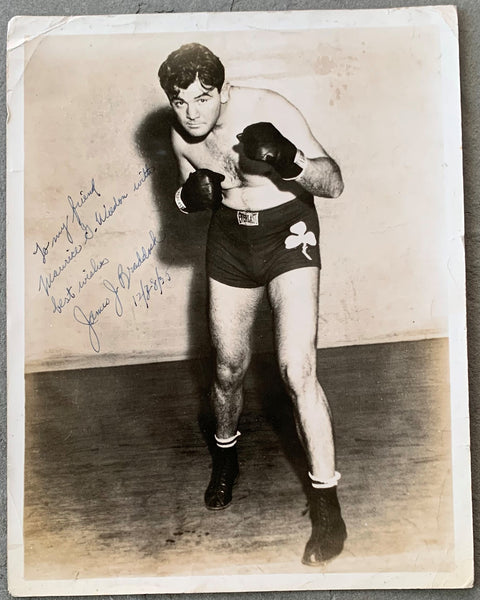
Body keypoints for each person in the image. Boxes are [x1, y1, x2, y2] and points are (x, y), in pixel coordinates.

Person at [158, 42, 346, 566]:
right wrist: (185, 198)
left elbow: (334, 181)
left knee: (297, 368)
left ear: (223, 89)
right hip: (230, 244)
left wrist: (292, 161)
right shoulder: (180, 134)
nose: (192, 113)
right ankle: (225, 460)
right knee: (226, 370)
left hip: (288, 234)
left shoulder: (270, 107)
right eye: (180, 102)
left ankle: (327, 504)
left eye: (202, 98)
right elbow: (187, 196)